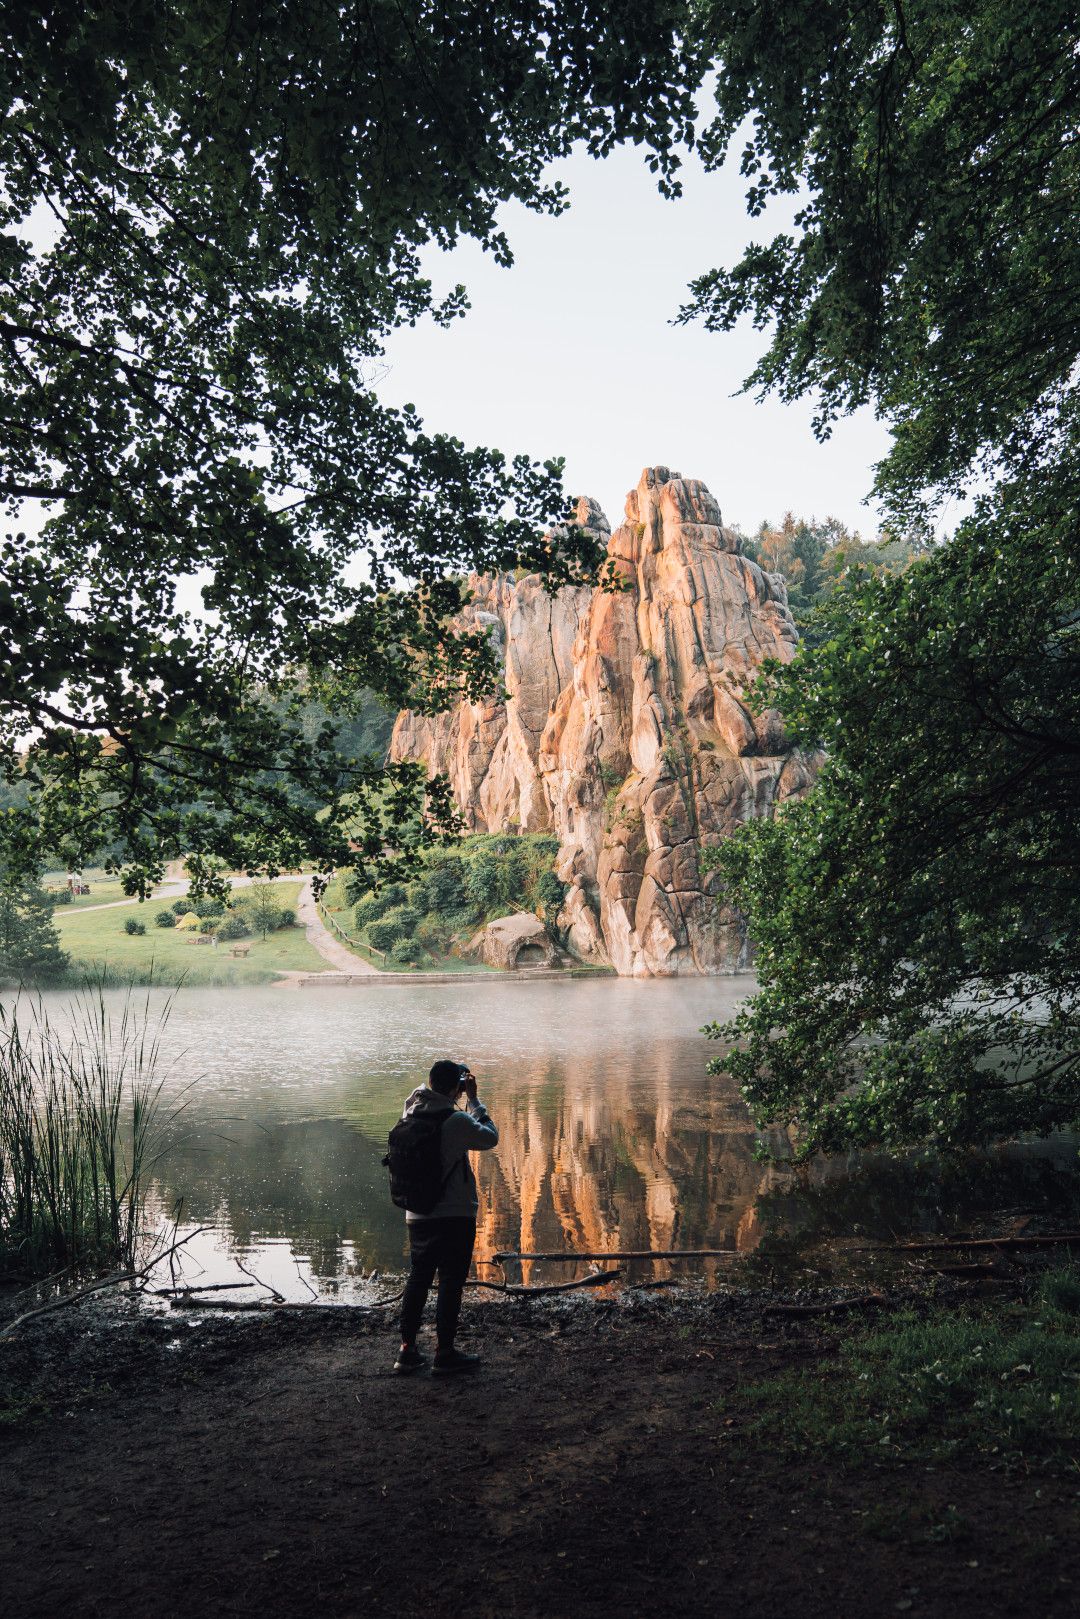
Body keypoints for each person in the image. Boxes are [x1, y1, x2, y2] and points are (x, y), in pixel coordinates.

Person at [394, 1059, 498, 1376]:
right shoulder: (454, 1121)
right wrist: (474, 1100)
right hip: (453, 1213)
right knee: (451, 1281)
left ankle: (407, 1350)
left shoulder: (410, 1111)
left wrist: (454, 1089)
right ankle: (445, 1352)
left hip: (417, 1212)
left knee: (419, 1278)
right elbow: (490, 1137)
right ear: (457, 1087)